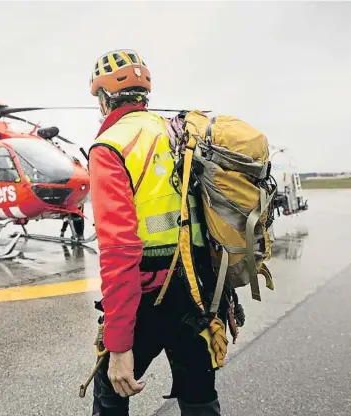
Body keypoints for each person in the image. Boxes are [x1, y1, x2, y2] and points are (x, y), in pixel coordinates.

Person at [86, 49, 229, 416]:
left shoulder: (110, 146)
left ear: (104, 98)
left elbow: (119, 250)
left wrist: (119, 346)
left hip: (149, 297)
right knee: (199, 397)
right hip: (198, 293)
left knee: (109, 393)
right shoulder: (178, 133)